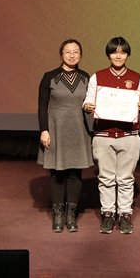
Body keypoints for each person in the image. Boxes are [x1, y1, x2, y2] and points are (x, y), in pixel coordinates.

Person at [83, 37, 140, 234]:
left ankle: (125, 215)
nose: (118, 56)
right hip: (103, 134)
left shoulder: (137, 78)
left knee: (126, 178)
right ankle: (108, 214)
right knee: (106, 178)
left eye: (122, 52)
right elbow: (87, 101)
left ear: (127, 54)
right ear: (108, 54)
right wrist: (88, 106)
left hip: (129, 134)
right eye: (114, 52)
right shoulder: (97, 77)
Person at [37, 39, 94, 233]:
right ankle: (58, 215)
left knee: (75, 173)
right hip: (56, 128)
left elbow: (88, 104)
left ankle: (71, 214)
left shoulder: (86, 77)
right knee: (57, 173)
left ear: (81, 55)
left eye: (75, 52)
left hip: (78, 129)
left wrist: (90, 108)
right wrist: (44, 130)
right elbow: (42, 107)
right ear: (61, 54)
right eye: (67, 51)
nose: (71, 55)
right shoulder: (50, 77)